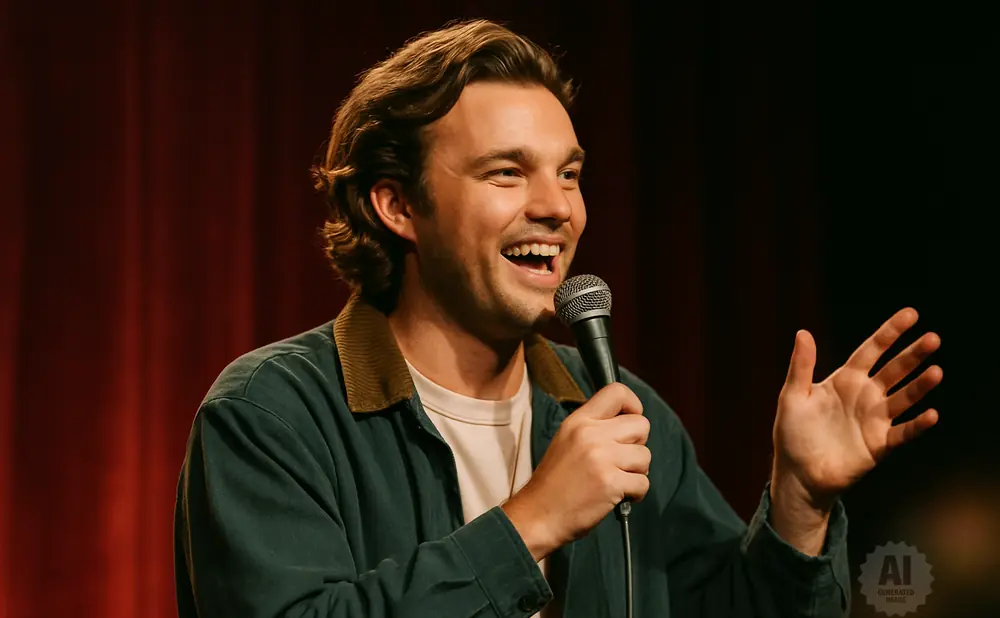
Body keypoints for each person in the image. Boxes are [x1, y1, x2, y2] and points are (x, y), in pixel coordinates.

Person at [173, 19, 943, 618]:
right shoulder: (272, 415)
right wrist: (531, 523)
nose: (556, 206)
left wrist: (801, 501)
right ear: (398, 204)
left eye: (569, 174)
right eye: (507, 172)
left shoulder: (616, 410)